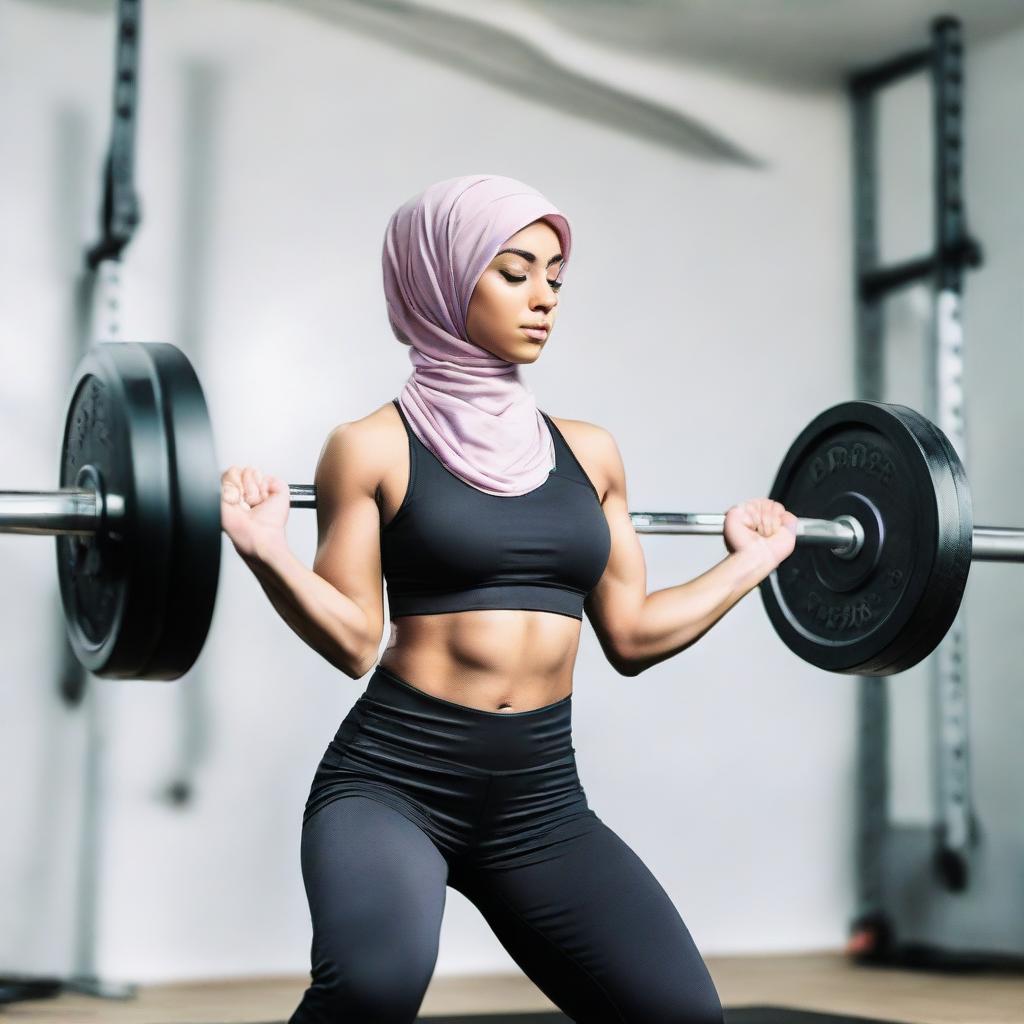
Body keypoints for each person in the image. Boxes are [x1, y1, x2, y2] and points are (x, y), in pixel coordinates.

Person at [220, 174, 797, 1024]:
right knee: (372, 991)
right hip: (394, 783)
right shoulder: (370, 446)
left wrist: (757, 561)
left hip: (539, 800)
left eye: (556, 278)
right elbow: (351, 641)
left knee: (683, 1016)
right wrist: (266, 550)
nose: (544, 299)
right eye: (515, 271)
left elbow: (633, 636)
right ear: (444, 279)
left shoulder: (591, 451)